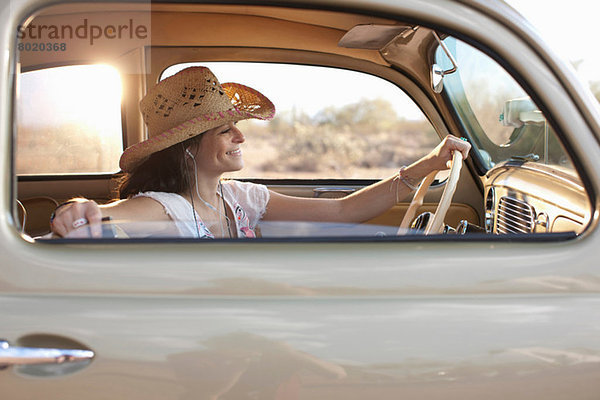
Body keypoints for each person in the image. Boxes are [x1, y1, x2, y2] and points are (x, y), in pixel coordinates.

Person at [49, 66, 470, 239]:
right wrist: (78, 207)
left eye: (238, 128)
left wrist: (427, 165)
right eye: (226, 130)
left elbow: (342, 213)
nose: (240, 137)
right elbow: (107, 214)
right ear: (188, 148)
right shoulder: (163, 208)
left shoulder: (237, 198)